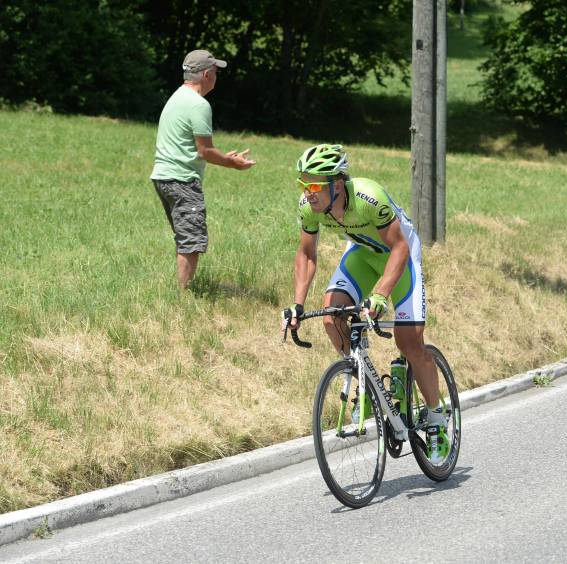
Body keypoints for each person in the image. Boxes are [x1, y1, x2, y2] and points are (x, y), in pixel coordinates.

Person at [282, 144, 447, 463]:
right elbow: (306, 254)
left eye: (314, 185)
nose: (308, 193)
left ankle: (437, 419)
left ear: (337, 185)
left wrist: (381, 295)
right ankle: (364, 379)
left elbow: (398, 248)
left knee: (410, 343)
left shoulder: (370, 197)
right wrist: (297, 305)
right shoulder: (308, 207)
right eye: (303, 184)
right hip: (361, 255)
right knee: (332, 316)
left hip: (399, 256)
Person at [150, 49, 256, 290]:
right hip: (182, 180)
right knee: (192, 241)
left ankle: (182, 290)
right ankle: (183, 295)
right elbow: (204, 151)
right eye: (216, 72)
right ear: (207, 74)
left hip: (163, 177)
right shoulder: (199, 104)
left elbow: (193, 147)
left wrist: (224, 157)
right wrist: (233, 163)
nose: (217, 76)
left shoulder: (177, 96)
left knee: (185, 237)